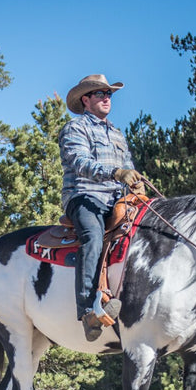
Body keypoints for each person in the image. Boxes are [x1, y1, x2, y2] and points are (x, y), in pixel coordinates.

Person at [59, 74, 145, 341]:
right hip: (84, 196)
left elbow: (128, 166)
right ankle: (87, 311)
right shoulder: (75, 128)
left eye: (109, 94)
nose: (107, 98)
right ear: (85, 100)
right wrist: (116, 173)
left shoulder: (116, 133)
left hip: (116, 199)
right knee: (93, 237)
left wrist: (136, 183)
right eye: (100, 93)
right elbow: (79, 162)